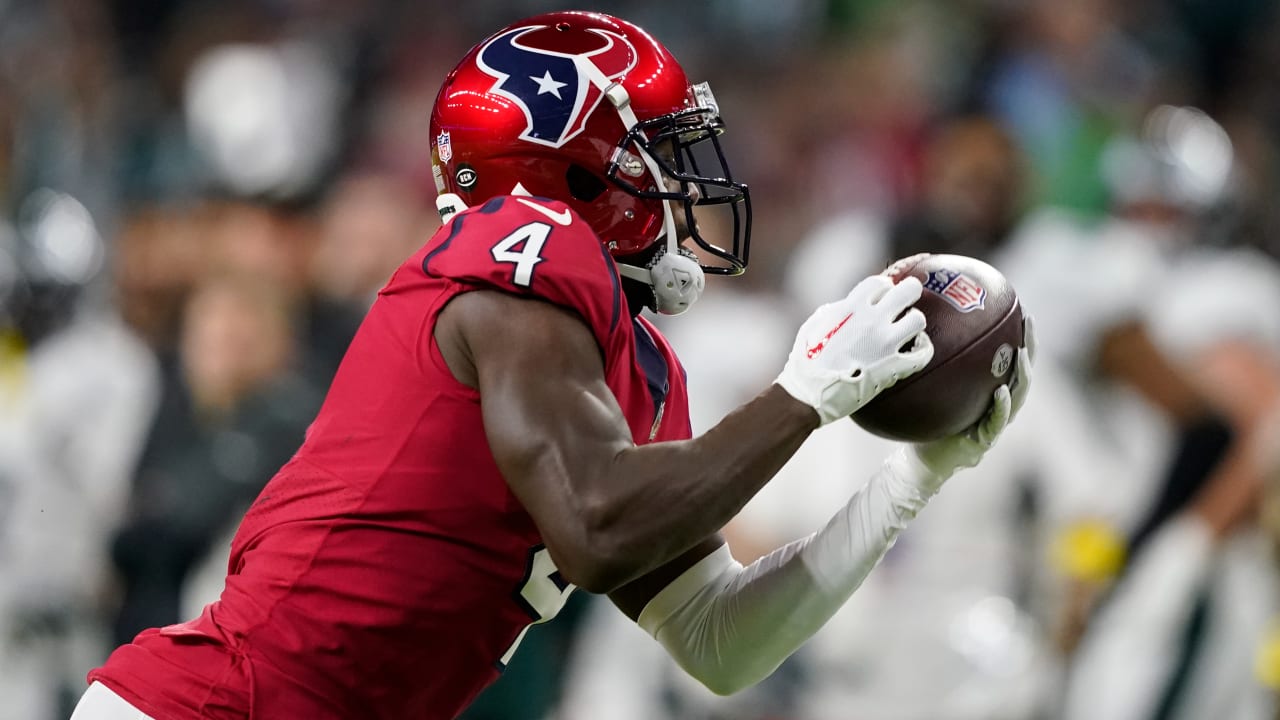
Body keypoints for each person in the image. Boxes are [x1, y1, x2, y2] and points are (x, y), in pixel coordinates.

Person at [71, 11, 1031, 720]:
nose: (679, 182)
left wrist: (909, 481)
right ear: (569, 172)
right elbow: (594, 529)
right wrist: (804, 397)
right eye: (650, 154)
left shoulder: (632, 360)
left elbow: (722, 641)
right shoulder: (525, 243)